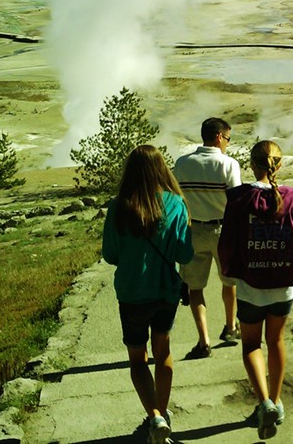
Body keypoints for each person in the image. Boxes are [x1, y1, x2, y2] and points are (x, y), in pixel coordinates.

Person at [218, 140, 293, 440]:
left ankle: (264, 403)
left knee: (250, 345)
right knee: (276, 340)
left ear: (251, 164)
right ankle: (277, 400)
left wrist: (230, 270)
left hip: (250, 286)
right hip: (283, 286)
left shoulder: (239, 200)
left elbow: (227, 244)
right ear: (279, 165)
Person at [102, 145, 193, 444]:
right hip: (165, 291)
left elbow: (110, 254)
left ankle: (154, 416)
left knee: (137, 359)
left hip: (131, 293)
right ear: (160, 169)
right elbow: (185, 254)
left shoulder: (118, 206)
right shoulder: (176, 204)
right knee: (163, 352)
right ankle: (161, 414)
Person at [174, 117, 242, 359]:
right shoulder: (228, 164)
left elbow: (177, 197)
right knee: (229, 282)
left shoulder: (182, 163)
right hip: (223, 231)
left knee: (195, 287)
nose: (228, 144)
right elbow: (236, 201)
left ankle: (204, 341)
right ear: (218, 137)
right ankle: (231, 327)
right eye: (228, 139)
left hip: (193, 231)